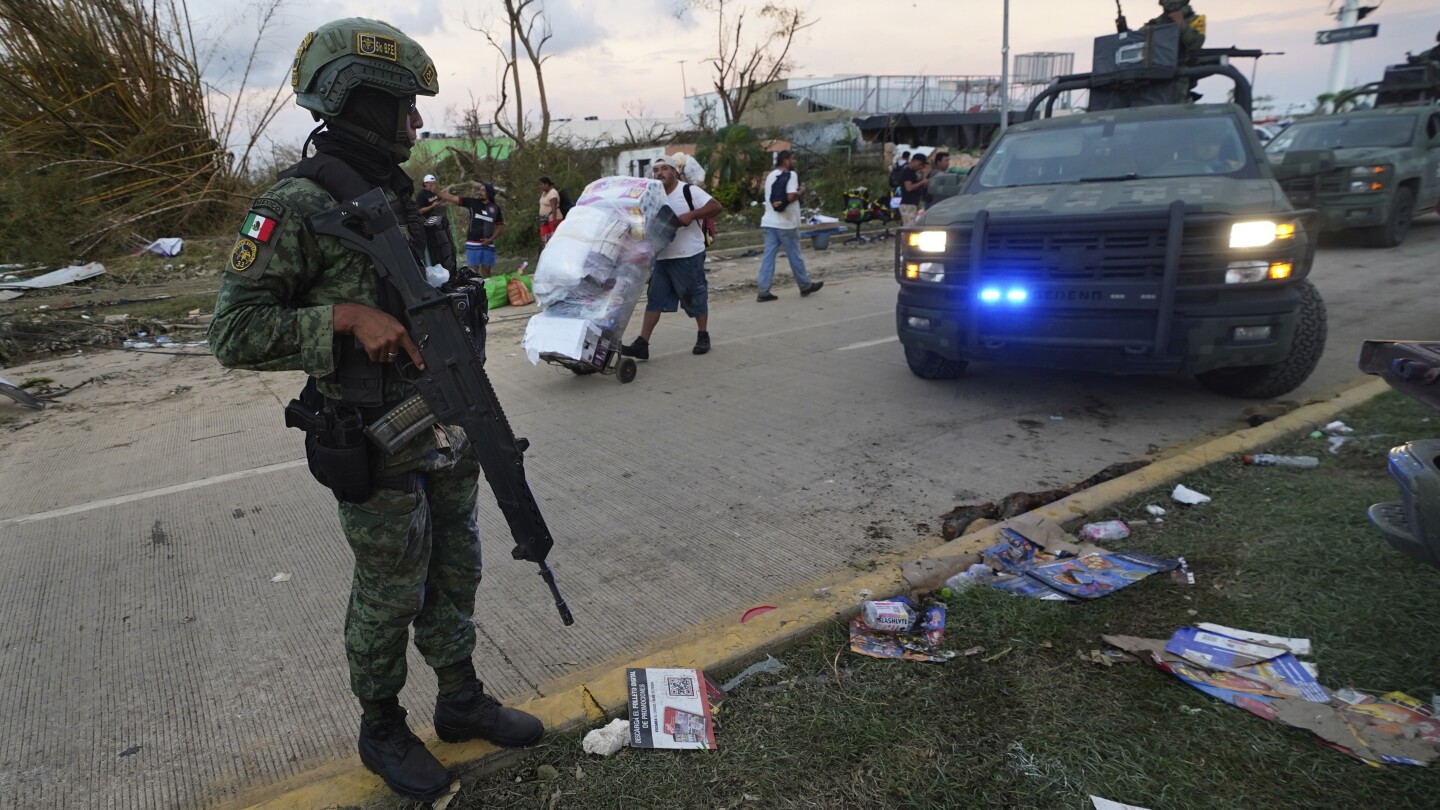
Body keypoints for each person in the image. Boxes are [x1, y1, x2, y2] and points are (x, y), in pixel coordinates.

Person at [206, 18, 542, 804]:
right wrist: (345, 320)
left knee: (456, 567)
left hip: (446, 423)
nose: (417, 125)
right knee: (392, 587)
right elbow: (233, 331)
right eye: (405, 109)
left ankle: (459, 699)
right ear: (360, 104)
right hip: (374, 437)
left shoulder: (402, 198)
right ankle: (382, 724)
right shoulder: (293, 204)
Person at [620, 155, 722, 359]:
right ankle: (643, 343)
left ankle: (703, 335)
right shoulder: (652, 196)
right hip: (662, 257)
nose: (660, 173)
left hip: (688, 255)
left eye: (664, 168)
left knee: (694, 296)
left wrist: (691, 215)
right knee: (654, 299)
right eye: (656, 170)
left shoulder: (688, 191)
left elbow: (716, 207)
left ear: (674, 172)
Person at [756, 150, 823, 302]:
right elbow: (791, 196)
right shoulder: (791, 175)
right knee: (795, 256)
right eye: (793, 159)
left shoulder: (771, 176)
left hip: (769, 222)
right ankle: (805, 285)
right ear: (786, 160)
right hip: (786, 224)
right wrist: (801, 191)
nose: (795, 162)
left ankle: (763, 290)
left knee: (768, 257)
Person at [436, 182, 504, 276]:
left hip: (488, 245)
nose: (480, 192)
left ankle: (488, 290)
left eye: (483, 190)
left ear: (489, 192)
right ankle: (476, 288)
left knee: (487, 272)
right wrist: (436, 192)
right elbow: (453, 198)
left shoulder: (495, 208)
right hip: (473, 244)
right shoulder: (473, 202)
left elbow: (499, 227)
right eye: (480, 189)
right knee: (473, 272)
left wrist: (490, 240)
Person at [1147, 1, 1206, 102]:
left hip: (1180, 78)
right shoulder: (1154, 24)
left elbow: (1195, 44)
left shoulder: (1195, 20)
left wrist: (1181, 23)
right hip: (1154, 79)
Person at [415, 174, 456, 271]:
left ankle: (450, 267)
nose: (432, 185)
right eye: (430, 184)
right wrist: (432, 206)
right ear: (425, 184)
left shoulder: (434, 193)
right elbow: (420, 211)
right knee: (437, 248)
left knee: (447, 245)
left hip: (440, 224)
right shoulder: (421, 195)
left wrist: (443, 204)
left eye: (433, 183)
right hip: (429, 226)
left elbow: (437, 203)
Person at [898, 152, 929, 226]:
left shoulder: (913, 173)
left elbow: (922, 185)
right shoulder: (907, 172)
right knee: (909, 227)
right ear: (915, 161)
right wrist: (922, 182)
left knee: (912, 226)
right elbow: (909, 188)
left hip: (913, 203)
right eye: (920, 164)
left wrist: (923, 175)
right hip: (908, 204)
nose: (920, 167)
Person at [537, 175, 562, 245]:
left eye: (541, 184)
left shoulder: (553, 193)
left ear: (547, 184)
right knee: (544, 238)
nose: (540, 186)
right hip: (545, 220)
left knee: (554, 238)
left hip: (553, 219)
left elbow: (553, 207)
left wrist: (554, 221)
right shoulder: (544, 192)